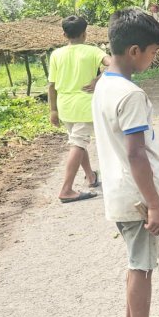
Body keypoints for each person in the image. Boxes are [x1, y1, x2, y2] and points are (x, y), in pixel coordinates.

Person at [92, 7, 159, 317]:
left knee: (136, 260)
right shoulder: (130, 95)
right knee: (142, 266)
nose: (154, 58)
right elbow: (136, 154)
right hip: (137, 196)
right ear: (135, 51)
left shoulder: (104, 84)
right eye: (152, 52)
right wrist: (155, 205)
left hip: (120, 192)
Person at [47, 15, 109, 203]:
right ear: (84, 33)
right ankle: (66, 190)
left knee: (78, 142)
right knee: (78, 144)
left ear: (64, 34)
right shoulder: (93, 51)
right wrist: (97, 80)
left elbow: (51, 85)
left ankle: (91, 176)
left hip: (65, 106)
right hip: (84, 105)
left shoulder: (56, 54)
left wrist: (53, 110)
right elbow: (114, 63)